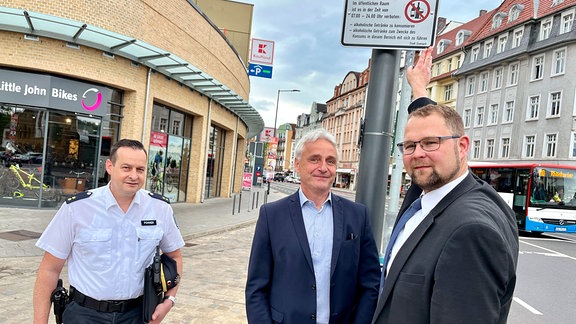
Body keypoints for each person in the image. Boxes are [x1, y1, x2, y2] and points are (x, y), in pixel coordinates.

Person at [371, 103, 519, 322]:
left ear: (462, 146)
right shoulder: (433, 196)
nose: (417, 154)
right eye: (409, 146)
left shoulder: (471, 232)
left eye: (431, 143)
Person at [33, 139, 184, 324]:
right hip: (84, 314)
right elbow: (49, 269)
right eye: (126, 168)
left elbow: (174, 256)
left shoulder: (160, 209)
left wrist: (169, 300)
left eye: (140, 169)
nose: (134, 176)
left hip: (137, 315)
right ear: (110, 166)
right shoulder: (77, 208)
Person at [245, 128, 381, 324]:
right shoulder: (272, 215)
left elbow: (370, 284)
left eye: (330, 161)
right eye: (315, 159)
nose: (323, 167)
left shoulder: (358, 215)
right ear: (297, 164)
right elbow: (256, 287)